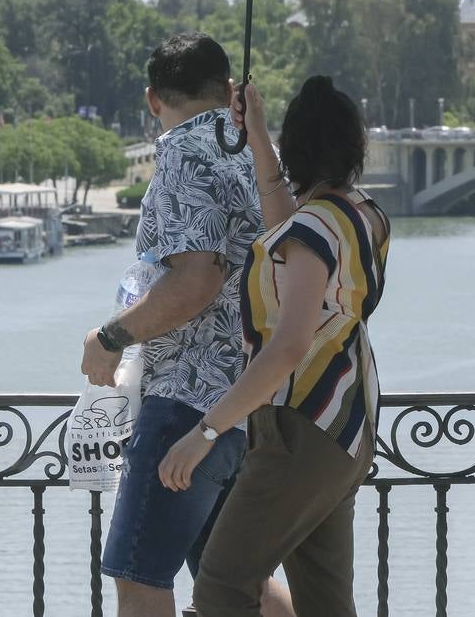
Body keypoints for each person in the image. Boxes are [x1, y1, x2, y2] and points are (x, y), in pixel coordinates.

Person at [159, 76, 390, 617]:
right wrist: (259, 135)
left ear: (300, 149)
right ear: (354, 147)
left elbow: (287, 348)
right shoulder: (360, 215)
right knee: (325, 602)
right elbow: (292, 229)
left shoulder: (314, 229)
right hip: (346, 427)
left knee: (221, 587)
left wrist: (204, 432)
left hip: (298, 427)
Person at [79, 32, 264, 617]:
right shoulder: (257, 153)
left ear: (152, 99)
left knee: (139, 578)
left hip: (185, 403)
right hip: (243, 405)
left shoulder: (183, 154)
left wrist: (109, 338)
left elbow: (194, 282)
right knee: (235, 586)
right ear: (228, 89)